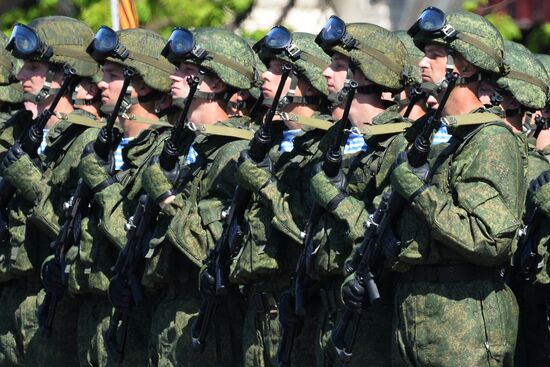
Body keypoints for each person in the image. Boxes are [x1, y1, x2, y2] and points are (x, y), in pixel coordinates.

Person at [389, 8, 526, 366]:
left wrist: (420, 193)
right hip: (416, 311)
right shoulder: (438, 136)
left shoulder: (490, 140)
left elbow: (490, 239)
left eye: (434, 56)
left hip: (464, 318)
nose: (422, 63)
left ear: (463, 67)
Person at [137, 27, 259, 366]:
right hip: (172, 310)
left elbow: (216, 248)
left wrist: (166, 199)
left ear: (217, 83)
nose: (173, 77)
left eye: (187, 70)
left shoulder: (234, 154)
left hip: (208, 317)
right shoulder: (195, 149)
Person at [227, 27, 332, 367]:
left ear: (306, 80)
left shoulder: (325, 147)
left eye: (278, 69)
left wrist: (265, 185)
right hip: (258, 307)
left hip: (300, 307)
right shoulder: (270, 142)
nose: (266, 76)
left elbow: (305, 230)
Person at [0, 16, 101, 366]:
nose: (21, 75)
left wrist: (26, 178)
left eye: (34, 67)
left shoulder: (87, 140)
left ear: (64, 74)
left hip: (54, 297)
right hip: (12, 291)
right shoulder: (20, 132)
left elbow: (72, 224)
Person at [74, 26, 176, 366]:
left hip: (137, 317)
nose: (100, 83)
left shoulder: (164, 155)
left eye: (113, 75)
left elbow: (138, 241)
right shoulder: (111, 147)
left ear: (142, 84)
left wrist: (104, 188)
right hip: (94, 308)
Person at [312, 19, 410, 367]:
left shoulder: (399, 143)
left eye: (339, 66)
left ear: (365, 75)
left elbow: (387, 233)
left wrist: (336, 200)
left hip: (370, 314)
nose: (326, 73)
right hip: (329, 308)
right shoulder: (337, 140)